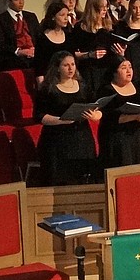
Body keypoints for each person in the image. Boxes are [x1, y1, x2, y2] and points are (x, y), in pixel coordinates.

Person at [34, 51, 100, 185]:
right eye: (66, 65)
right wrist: (61, 120)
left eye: (73, 64)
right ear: (57, 67)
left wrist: (95, 116)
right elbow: (39, 116)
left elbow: (97, 108)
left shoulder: (83, 86)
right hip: (57, 142)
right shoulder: (48, 89)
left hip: (82, 140)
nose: (71, 68)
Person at [96, 57, 140, 169]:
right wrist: (136, 117)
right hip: (119, 139)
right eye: (124, 68)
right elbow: (109, 118)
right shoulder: (106, 90)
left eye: (130, 67)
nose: (129, 71)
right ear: (114, 72)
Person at [71, 0, 117, 92]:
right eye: (102, 7)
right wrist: (90, 55)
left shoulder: (109, 27)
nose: (105, 10)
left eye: (106, 6)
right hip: (88, 71)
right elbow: (74, 54)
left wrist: (120, 52)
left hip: (106, 71)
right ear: (93, 8)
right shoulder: (80, 28)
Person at [0, 0, 40, 70]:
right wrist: (19, 52)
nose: (21, 2)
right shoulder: (0, 20)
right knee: (19, 63)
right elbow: (0, 44)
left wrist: (35, 49)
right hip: (14, 56)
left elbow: (39, 36)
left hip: (33, 52)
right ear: (8, 1)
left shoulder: (31, 16)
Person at [34, 2, 73, 83]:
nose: (66, 18)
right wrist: (42, 87)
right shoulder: (42, 38)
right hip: (50, 81)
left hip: (67, 79)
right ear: (53, 17)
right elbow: (39, 67)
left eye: (67, 15)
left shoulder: (69, 36)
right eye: (62, 15)